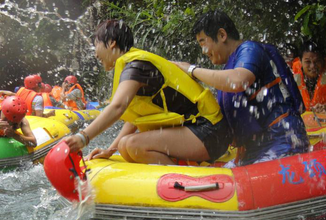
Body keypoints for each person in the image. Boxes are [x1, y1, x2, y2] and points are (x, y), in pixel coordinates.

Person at [65, 19, 229, 165]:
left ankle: (183, 183)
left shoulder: (135, 66)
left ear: (112, 42)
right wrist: (110, 150)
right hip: (199, 131)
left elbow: (118, 107)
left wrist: (83, 137)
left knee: (132, 145)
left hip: (209, 131)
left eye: (97, 44)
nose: (95, 53)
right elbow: (136, 119)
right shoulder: (134, 65)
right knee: (124, 146)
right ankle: (180, 167)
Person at [174, 10, 309, 166]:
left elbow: (239, 81)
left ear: (222, 35)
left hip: (282, 142)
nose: (203, 51)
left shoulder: (250, 49)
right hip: (252, 151)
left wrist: (191, 70)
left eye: (203, 42)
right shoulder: (228, 69)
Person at [292, 40, 326, 112]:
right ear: (300, 61)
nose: (313, 66)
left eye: (317, 61)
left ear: (323, 60)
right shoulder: (291, 75)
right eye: (308, 62)